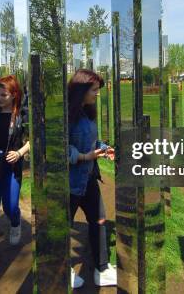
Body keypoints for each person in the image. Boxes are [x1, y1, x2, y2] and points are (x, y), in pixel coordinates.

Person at [67, 69, 117, 288]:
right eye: (94, 90)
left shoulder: (88, 113)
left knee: (99, 221)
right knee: (62, 227)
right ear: (81, 90)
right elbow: (61, 147)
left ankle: (102, 268)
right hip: (69, 184)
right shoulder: (67, 117)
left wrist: (104, 148)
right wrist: (84, 156)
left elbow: (91, 142)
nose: (97, 94)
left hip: (88, 179)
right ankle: (62, 269)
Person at [0, 75, 30, 246]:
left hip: (12, 166)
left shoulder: (22, 115)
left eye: (4, 95)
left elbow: (32, 139)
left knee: (10, 207)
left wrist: (19, 153)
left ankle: (15, 223)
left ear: (14, 95)